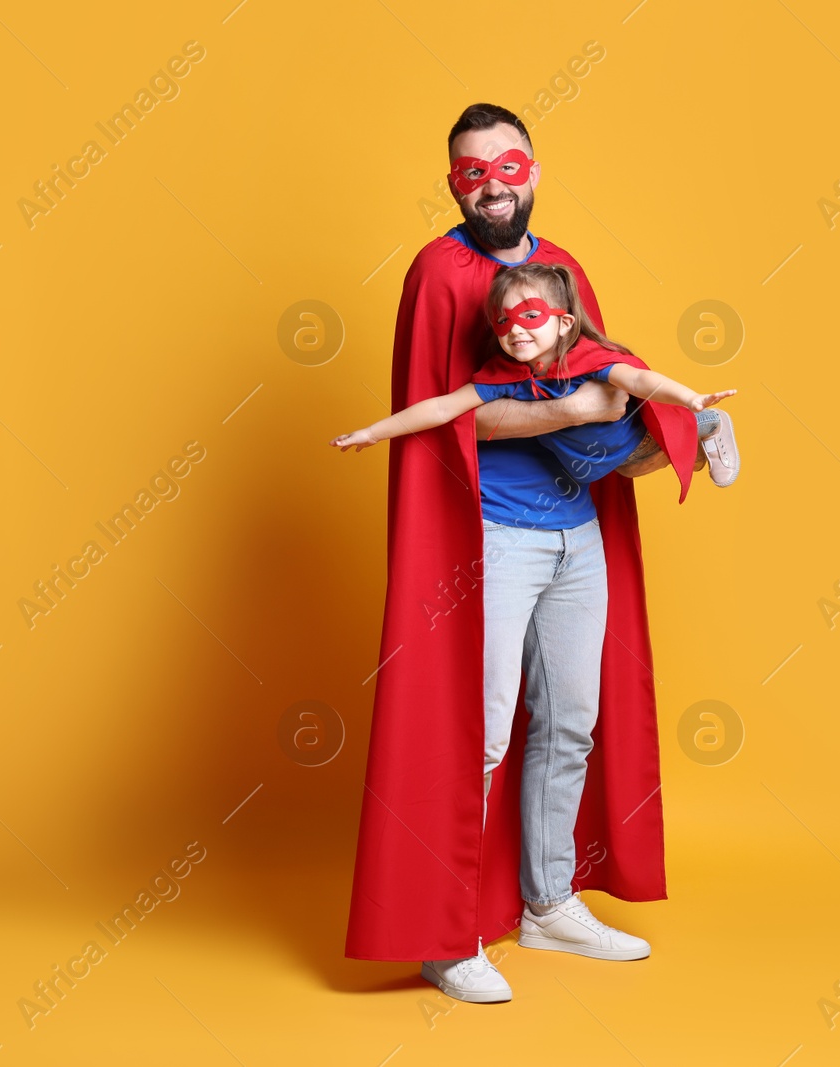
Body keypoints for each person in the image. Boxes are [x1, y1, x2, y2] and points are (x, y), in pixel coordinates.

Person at [343, 103, 693, 1003]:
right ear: (451, 181)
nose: (493, 185)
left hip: (579, 532)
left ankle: (547, 901)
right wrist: (567, 414)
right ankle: (446, 931)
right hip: (491, 540)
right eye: (471, 171)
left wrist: (650, 423)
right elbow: (456, 414)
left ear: (533, 170)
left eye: (508, 166)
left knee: (571, 719)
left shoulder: (561, 268)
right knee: (481, 731)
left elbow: (605, 372)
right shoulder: (436, 274)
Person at [330, 263, 739, 486]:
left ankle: (708, 422)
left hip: (637, 441)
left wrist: (690, 397)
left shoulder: (587, 358)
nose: (516, 329)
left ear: (563, 324)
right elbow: (442, 408)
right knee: (631, 470)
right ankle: (700, 441)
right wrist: (374, 432)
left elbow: (638, 381)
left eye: (530, 316)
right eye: (503, 321)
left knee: (652, 456)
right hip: (605, 464)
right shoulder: (504, 376)